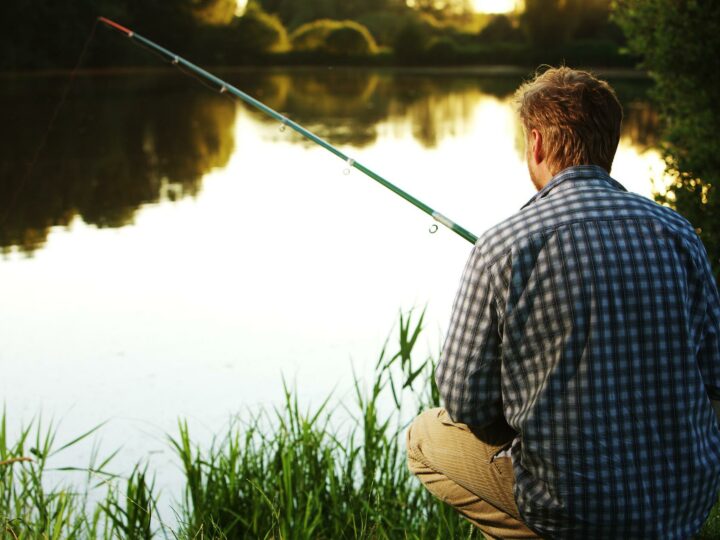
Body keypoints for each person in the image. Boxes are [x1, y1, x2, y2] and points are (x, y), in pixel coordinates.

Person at [406, 67, 720, 539]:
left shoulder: (502, 246)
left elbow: (464, 399)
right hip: (682, 505)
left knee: (424, 438)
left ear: (536, 144)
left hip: (569, 507)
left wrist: (519, 421)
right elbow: (715, 375)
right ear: (610, 145)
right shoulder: (678, 234)